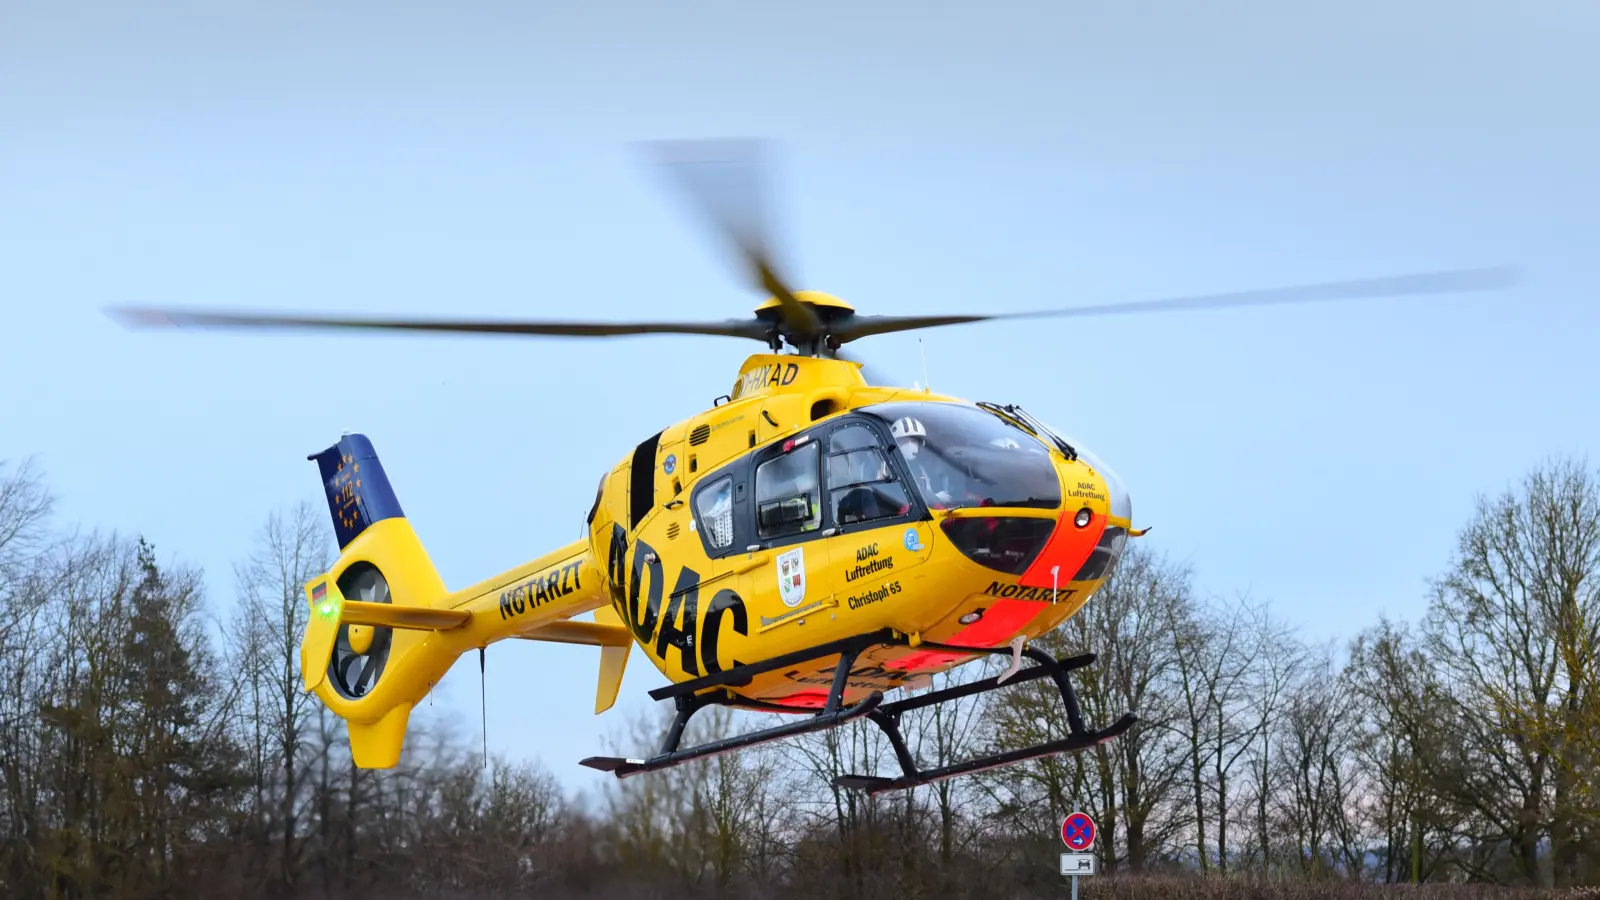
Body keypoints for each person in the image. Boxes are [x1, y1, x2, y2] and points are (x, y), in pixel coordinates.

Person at [890, 416, 953, 506]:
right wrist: (935, 499)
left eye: (916, 442)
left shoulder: (919, 467)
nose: (915, 447)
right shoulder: (888, 469)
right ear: (897, 442)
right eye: (910, 440)